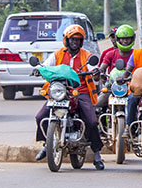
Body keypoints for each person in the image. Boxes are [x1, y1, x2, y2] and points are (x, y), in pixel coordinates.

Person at [33, 24, 104, 169]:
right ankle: (47, 145)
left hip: (80, 91)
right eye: (72, 39)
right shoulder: (58, 54)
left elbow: (93, 70)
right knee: (40, 117)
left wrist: (95, 72)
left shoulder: (86, 55)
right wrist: (38, 69)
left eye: (78, 40)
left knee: (91, 121)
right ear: (66, 40)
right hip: (60, 91)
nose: (75, 42)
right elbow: (46, 65)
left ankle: (97, 154)